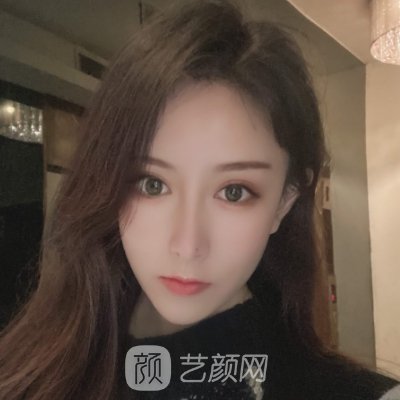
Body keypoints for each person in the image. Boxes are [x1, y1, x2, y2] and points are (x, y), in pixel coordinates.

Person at [0, 0, 399, 399]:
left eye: (234, 192)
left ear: (284, 200)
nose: (187, 245)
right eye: (152, 184)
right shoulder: (32, 370)